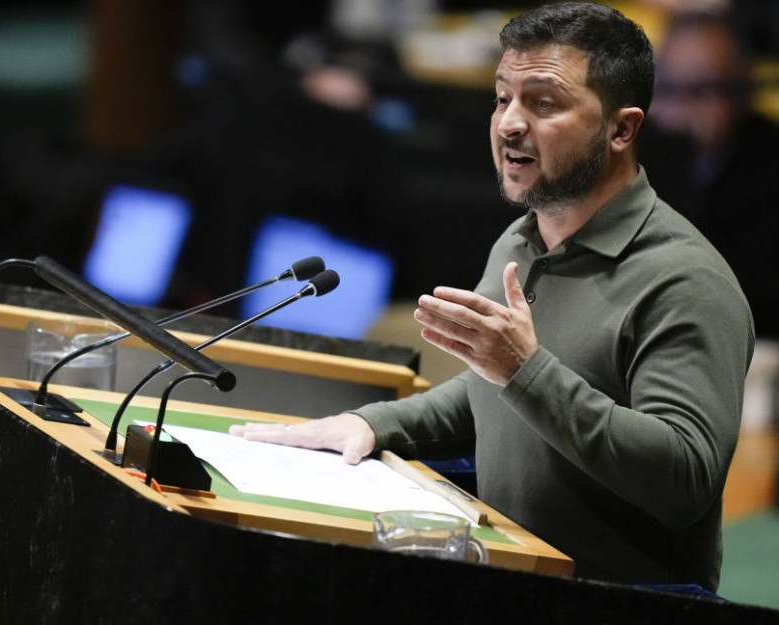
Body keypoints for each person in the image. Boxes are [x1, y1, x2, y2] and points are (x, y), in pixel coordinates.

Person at [231, 2, 754, 592]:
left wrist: (524, 370)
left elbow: (684, 479)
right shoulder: (520, 241)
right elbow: (495, 394)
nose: (509, 124)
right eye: (503, 98)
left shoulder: (685, 281)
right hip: (508, 574)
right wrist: (371, 424)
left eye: (544, 103)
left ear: (621, 129)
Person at [645, 12, 779, 340]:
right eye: (668, 89)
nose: (681, 108)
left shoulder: (768, 162)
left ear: (742, 93)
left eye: (702, 90)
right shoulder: (630, 155)